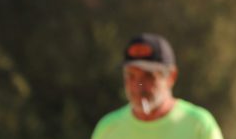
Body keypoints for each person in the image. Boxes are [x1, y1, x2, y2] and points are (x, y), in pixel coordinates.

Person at [92, 32, 224, 139]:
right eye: (131, 75)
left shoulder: (199, 126)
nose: (138, 85)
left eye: (148, 76)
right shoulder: (108, 129)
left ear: (171, 77)